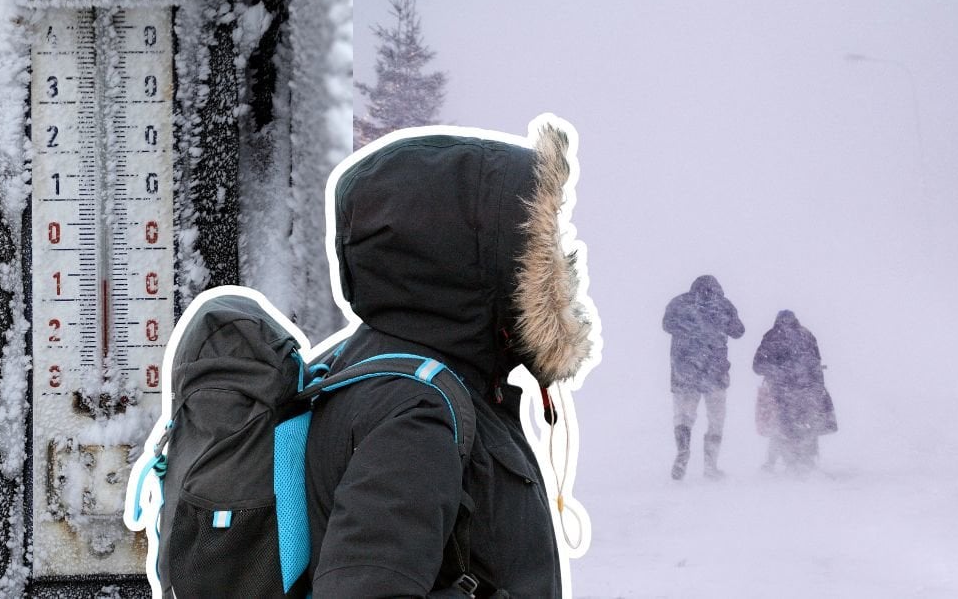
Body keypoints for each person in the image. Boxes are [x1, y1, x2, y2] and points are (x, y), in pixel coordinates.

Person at [305, 119, 595, 596]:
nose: (560, 262)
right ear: (474, 261)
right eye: (537, 245)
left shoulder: (402, 367)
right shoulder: (414, 409)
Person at [662, 275, 744, 480]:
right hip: (714, 372)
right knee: (716, 420)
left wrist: (690, 330)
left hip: (684, 370)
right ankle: (710, 466)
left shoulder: (680, 303)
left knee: (683, 416)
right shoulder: (723, 305)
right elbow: (738, 331)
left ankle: (683, 450)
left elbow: (666, 325)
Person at [752, 310, 837, 474]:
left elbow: (757, 366)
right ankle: (806, 460)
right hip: (805, 389)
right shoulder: (806, 335)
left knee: (782, 424)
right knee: (805, 424)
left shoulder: (771, 336)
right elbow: (816, 364)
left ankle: (784, 461)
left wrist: (776, 371)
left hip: (781, 390)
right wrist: (819, 387)